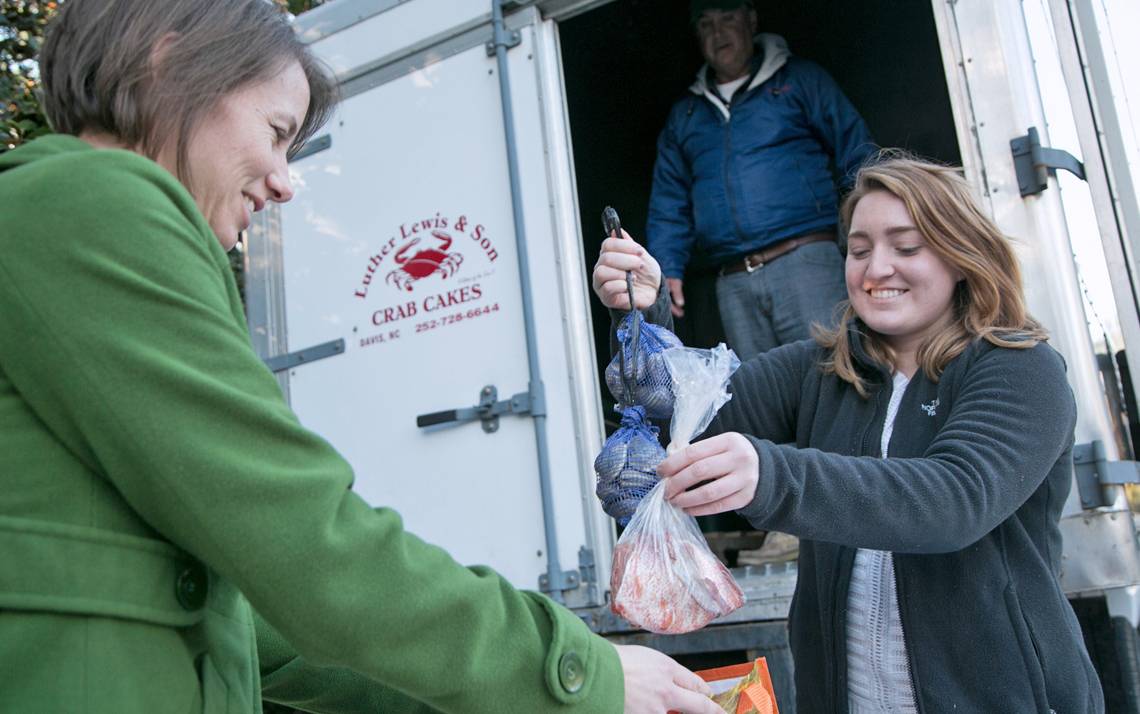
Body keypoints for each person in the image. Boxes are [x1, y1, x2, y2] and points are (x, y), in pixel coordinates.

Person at [0, 2, 724, 713]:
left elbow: (261, 629)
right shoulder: (95, 202)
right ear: (168, 61)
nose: (286, 182)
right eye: (277, 132)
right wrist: (570, 671)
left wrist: (514, 690)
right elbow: (301, 534)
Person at [594, 155, 1105, 712]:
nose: (875, 268)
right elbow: (692, 418)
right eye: (859, 250)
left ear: (962, 255)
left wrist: (772, 476)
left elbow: (955, 500)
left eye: (906, 247)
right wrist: (646, 314)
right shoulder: (823, 368)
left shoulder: (1020, 368)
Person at [648, 0, 876, 361]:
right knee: (764, 399)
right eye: (706, 24)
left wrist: (867, 239)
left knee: (836, 374)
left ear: (751, 21)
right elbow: (668, 199)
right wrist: (667, 269)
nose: (717, 33)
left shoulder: (799, 79)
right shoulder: (686, 114)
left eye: (727, 19)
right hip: (734, 279)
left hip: (806, 259)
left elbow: (858, 155)